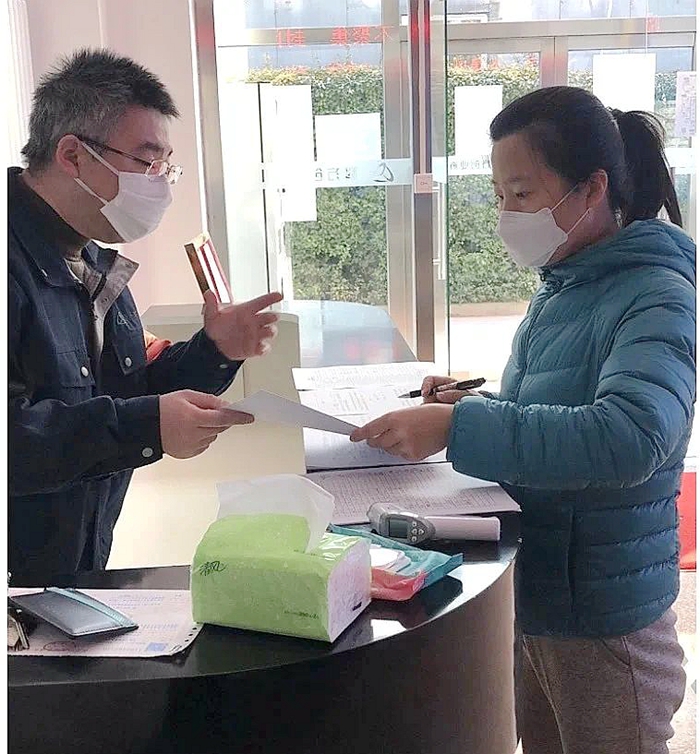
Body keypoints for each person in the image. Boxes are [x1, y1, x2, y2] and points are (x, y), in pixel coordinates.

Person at [351, 86, 695, 754]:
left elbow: (631, 436)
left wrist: (460, 429)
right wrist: (468, 406)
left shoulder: (655, 293)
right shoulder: (568, 282)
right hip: (543, 595)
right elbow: (559, 406)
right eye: (499, 195)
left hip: (605, 617)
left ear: (591, 189)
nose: (507, 214)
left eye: (523, 194)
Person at [9, 49, 282, 580]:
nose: (160, 183)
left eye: (166, 166)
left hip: (71, 566)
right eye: (146, 162)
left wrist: (215, 350)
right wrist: (146, 426)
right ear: (73, 155)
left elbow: (126, 388)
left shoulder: (92, 258)